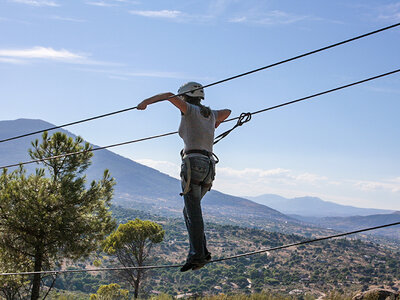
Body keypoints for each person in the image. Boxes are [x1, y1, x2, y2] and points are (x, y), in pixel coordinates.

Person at [137, 82, 231, 272]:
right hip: (209, 168)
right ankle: (201, 251)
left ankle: (197, 256)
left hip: (193, 164)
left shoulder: (189, 110)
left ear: (185, 97)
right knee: (190, 210)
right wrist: (215, 123)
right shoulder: (210, 114)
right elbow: (228, 111)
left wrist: (145, 102)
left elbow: (168, 95)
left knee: (193, 211)